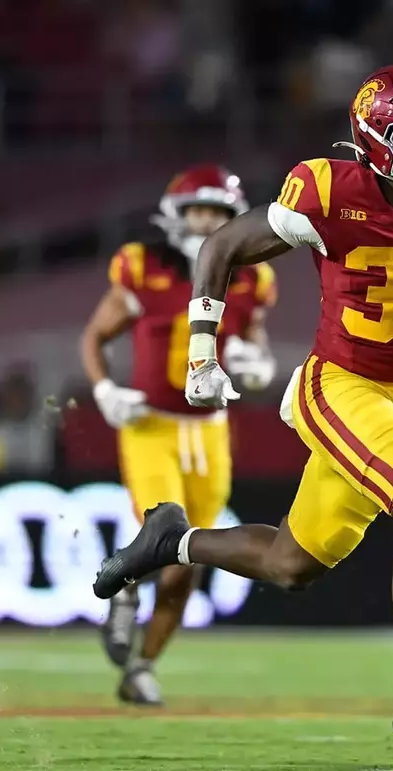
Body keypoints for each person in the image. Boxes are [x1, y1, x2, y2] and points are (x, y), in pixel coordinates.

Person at [94, 64, 393, 752]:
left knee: (292, 564)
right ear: (377, 141)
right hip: (339, 386)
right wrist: (203, 349)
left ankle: (172, 540)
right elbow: (223, 246)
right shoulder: (329, 191)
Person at [80, 165, 276, 705]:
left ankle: (144, 664)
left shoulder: (252, 278)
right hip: (151, 428)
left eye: (218, 212)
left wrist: (257, 366)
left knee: (192, 554)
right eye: (199, 210)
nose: (208, 221)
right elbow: (95, 337)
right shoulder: (143, 267)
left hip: (210, 431)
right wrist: (103, 390)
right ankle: (123, 594)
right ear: (176, 214)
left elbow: (256, 346)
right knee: (163, 527)